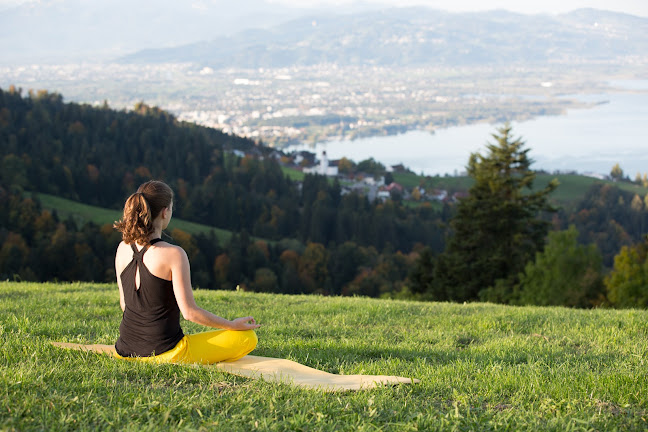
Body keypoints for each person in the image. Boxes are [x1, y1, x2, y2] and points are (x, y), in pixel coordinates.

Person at [112, 180, 260, 364]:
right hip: (166, 353)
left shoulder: (122, 248)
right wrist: (232, 325)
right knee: (248, 338)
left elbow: (125, 305)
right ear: (165, 212)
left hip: (124, 350)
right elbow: (190, 313)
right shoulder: (174, 254)